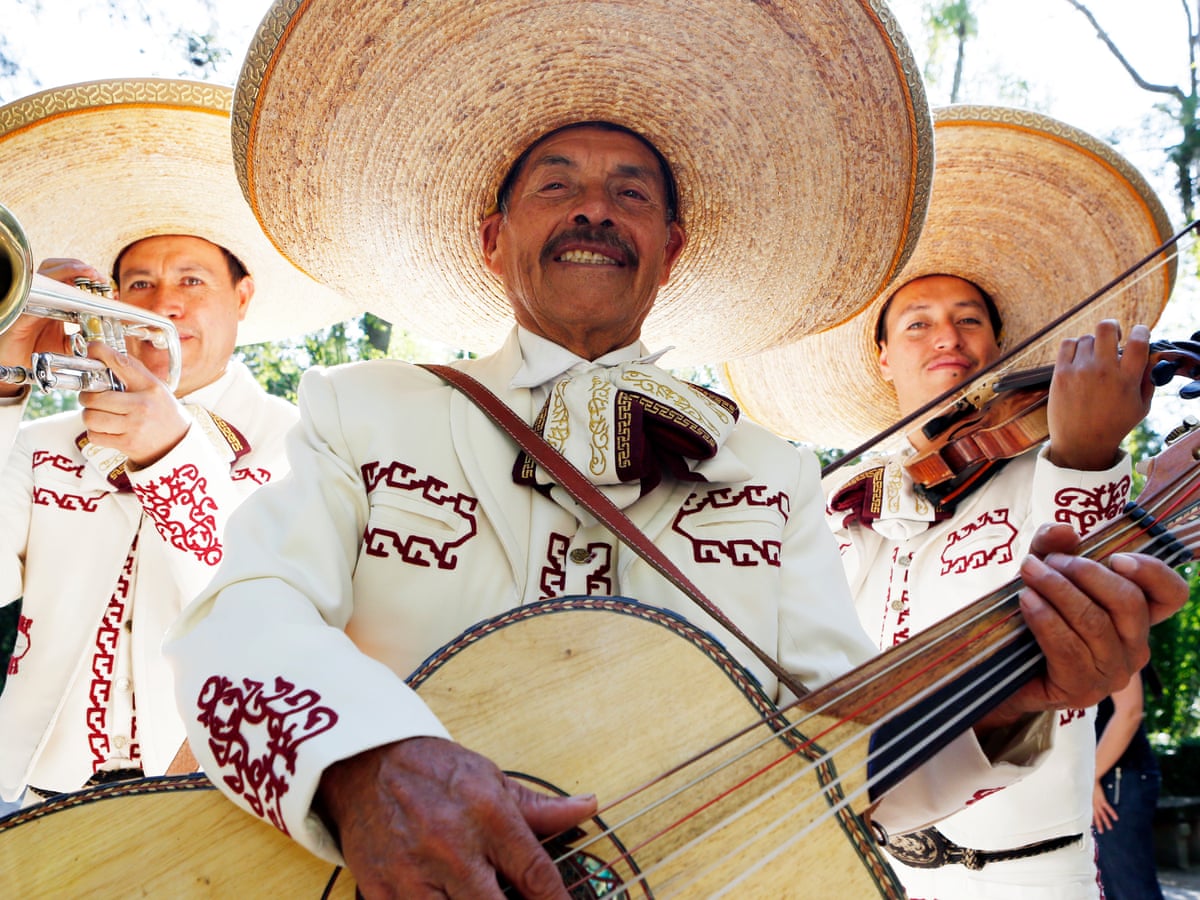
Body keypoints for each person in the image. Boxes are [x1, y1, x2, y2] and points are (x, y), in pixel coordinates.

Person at [164, 6, 1188, 898]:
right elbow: (239, 613)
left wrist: (1007, 699)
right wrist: (361, 766)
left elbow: (842, 753)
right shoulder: (368, 408)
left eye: (632, 193)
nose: (594, 207)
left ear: (671, 247)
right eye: (555, 183)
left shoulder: (774, 473)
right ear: (493, 237)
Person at [724, 106, 1179, 898]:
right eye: (920, 322)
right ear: (883, 355)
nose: (950, 337)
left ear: (998, 350)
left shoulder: (1051, 461)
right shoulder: (832, 496)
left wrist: (1087, 450)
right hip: (866, 875)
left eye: (971, 321)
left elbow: (1085, 569)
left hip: (1034, 880)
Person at [0, 78, 356, 804]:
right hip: (26, 781)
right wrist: (7, 374)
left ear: (243, 297)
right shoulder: (38, 439)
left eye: (192, 279)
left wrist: (169, 453)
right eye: (137, 283)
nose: (164, 304)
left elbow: (257, 608)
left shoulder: (303, 442)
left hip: (202, 792)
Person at [1094, 668, 1166, 899]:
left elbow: (1130, 712)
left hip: (1116, 781)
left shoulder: (1115, 632)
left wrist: (1089, 777)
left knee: (1130, 891)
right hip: (1105, 781)